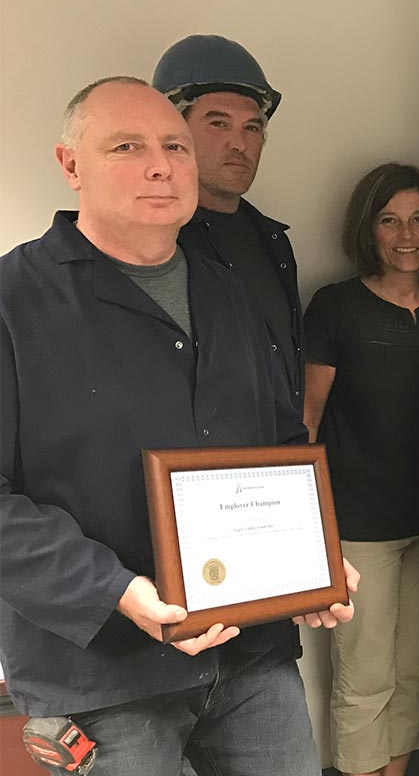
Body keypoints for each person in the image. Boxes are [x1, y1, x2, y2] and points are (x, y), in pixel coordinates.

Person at [0, 76, 356, 775]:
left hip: (250, 654)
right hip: (101, 677)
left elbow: (282, 446)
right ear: (71, 165)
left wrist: (312, 557)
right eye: (127, 146)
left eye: (175, 146)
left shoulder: (227, 293)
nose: (161, 165)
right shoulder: (14, 302)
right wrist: (118, 591)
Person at [303, 164, 419, 776]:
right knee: (364, 675)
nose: (405, 234)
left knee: (415, 670)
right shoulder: (336, 307)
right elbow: (306, 421)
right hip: (359, 524)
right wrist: (308, 524)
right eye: (389, 220)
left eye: (418, 219)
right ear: (368, 229)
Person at [153, 34, 305, 410]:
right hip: (192, 466)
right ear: (173, 131)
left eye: (251, 128)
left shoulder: (273, 241)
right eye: (219, 123)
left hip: (272, 463)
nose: (239, 143)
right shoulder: (154, 244)